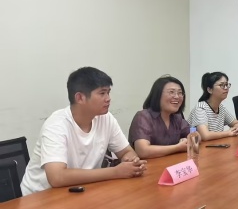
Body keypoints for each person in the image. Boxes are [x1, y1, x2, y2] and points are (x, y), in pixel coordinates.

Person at [20, 67, 147, 196]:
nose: (108, 98)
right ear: (80, 98)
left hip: (79, 191)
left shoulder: (106, 118)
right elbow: (57, 177)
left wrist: (131, 161)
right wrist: (116, 172)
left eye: (108, 92)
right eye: (102, 93)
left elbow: (126, 151)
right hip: (39, 197)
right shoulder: (56, 125)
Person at [128, 76, 191, 159]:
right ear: (158, 95)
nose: (177, 96)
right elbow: (143, 151)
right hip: (148, 165)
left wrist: (188, 139)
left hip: (171, 163)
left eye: (180, 93)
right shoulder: (143, 116)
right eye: (171, 92)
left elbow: (195, 134)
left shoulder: (177, 117)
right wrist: (178, 147)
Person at [188, 72, 238, 140]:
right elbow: (205, 136)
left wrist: (235, 129)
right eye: (221, 85)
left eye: (227, 84)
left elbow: (237, 123)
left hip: (216, 144)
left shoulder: (221, 108)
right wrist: (228, 133)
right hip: (200, 146)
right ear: (210, 90)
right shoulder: (200, 108)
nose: (226, 88)